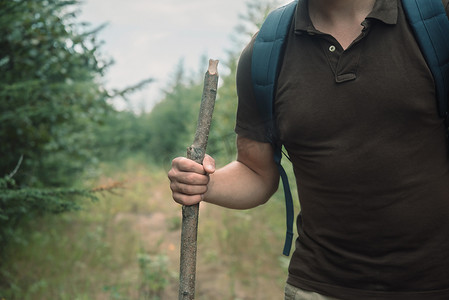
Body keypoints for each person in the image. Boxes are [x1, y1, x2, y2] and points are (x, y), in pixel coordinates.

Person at [168, 0, 449, 299]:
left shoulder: (435, 17)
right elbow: (256, 171)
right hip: (318, 286)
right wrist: (205, 183)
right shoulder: (266, 49)